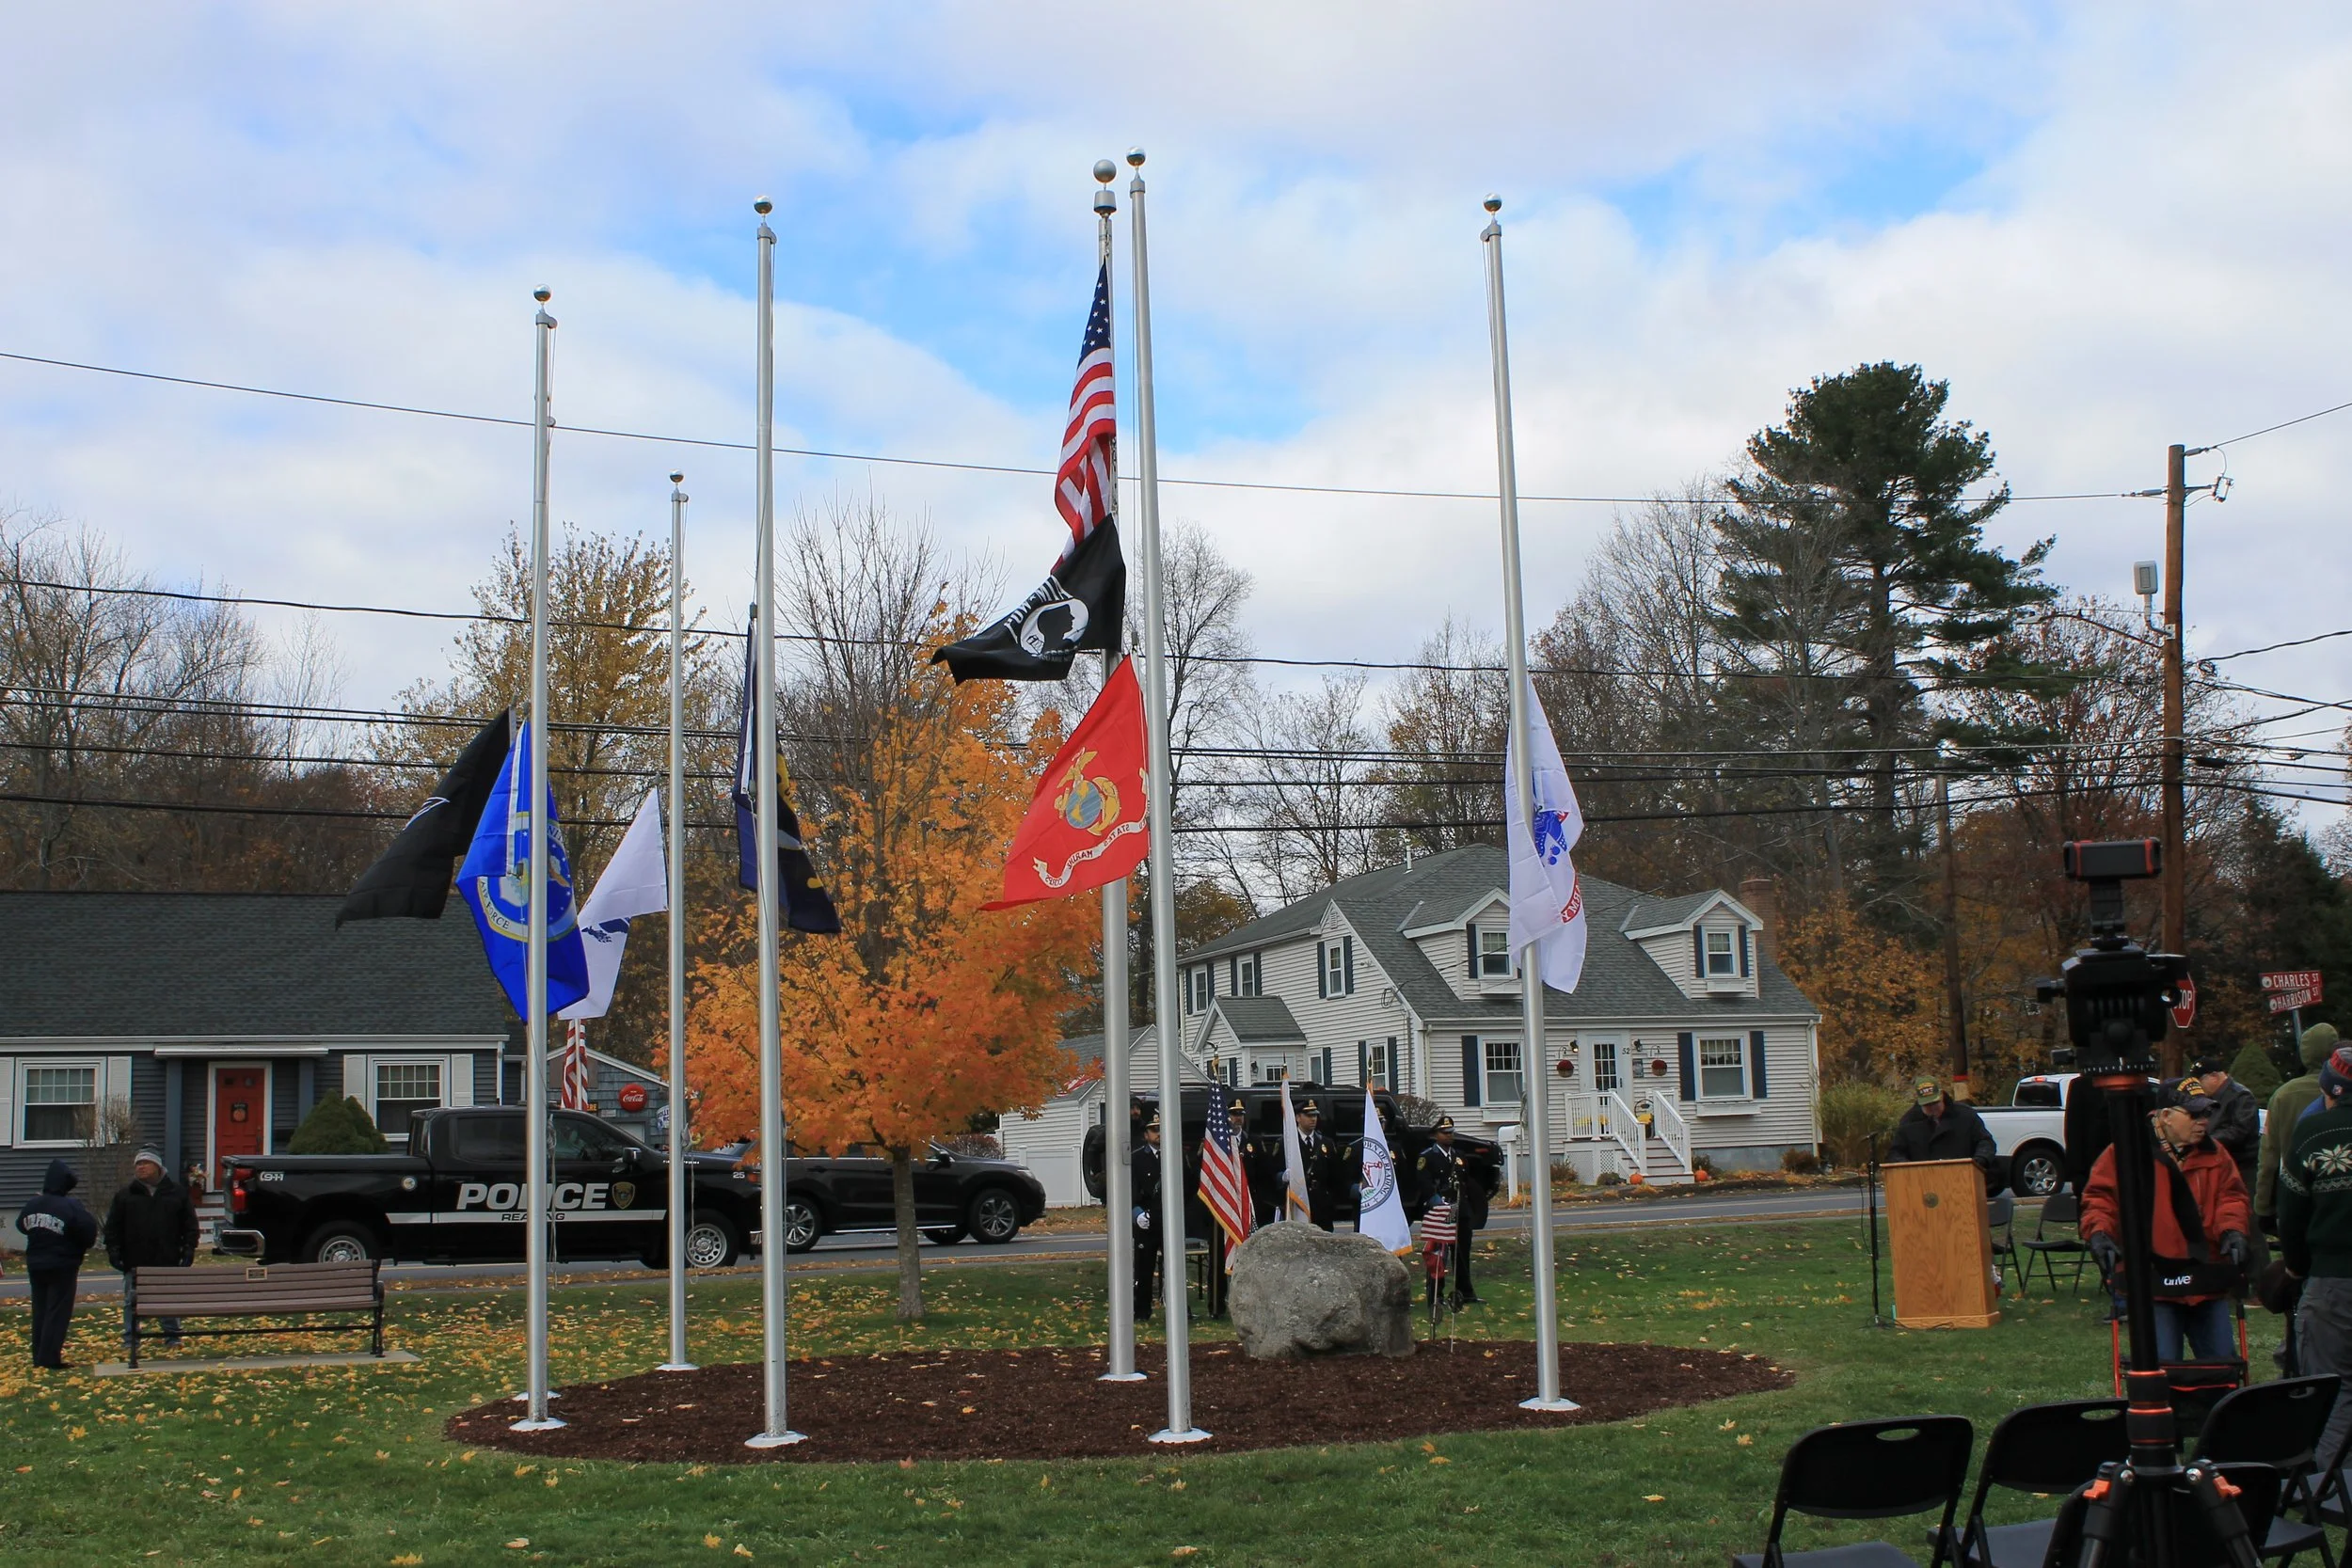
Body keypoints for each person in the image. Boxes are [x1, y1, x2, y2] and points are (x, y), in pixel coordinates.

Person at [2081, 1081, 2251, 1363]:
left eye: (2206, 1115)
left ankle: (2215, 1407)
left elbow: (2231, 1198)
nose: (2203, 1122)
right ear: (2164, 1116)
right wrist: (2099, 1234)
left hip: (2206, 1277)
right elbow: (2100, 1200)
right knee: (2160, 1370)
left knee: (2222, 1368)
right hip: (2152, 1282)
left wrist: (2233, 1231)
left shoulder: (2216, 1154)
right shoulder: (2124, 1152)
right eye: (2194, 1115)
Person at [2280, 1044, 2352, 1468]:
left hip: (2333, 1280)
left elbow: (2291, 1214)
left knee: (2332, 1388)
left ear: (2331, 1090)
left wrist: (2296, 1266)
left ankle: (2328, 1485)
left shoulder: (2315, 1133)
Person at [103, 1148, 198, 1352]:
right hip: (135, 1258)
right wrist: (114, 1251)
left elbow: (190, 1225)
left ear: (158, 1167)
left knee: (168, 1299)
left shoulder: (176, 1193)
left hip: (167, 1257)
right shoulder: (125, 1195)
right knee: (132, 1300)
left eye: (146, 1163)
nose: (141, 1167)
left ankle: (172, 1337)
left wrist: (189, 1249)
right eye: (138, 1164)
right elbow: (113, 1227)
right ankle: (131, 1339)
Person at [2258, 1022, 2342, 1235]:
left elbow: (2269, 1157)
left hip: (2296, 1200)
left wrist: (2263, 1208)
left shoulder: (2283, 1096)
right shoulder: (2343, 1089)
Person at [19, 1159, 98, 1370]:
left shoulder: (32, 1204)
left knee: (40, 1310)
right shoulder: (71, 1206)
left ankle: (38, 1356)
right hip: (63, 1265)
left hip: (35, 1264)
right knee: (57, 1312)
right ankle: (50, 1358)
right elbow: (88, 1231)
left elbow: (21, 1225)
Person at [1886, 1077, 1998, 1181]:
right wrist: (1907, 1168)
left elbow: (1985, 1142)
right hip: (1923, 1181)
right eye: (1927, 1105)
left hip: (1962, 1180)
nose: (1932, 1108)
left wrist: (1979, 1161)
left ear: (1941, 1095)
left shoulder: (1965, 1115)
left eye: (1935, 1103)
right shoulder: (1909, 1122)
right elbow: (1895, 1152)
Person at [2196, 1050, 2263, 1195]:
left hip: (2243, 1165)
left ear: (2214, 1077)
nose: (2198, 1086)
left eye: (2199, 1081)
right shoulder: (2209, 1098)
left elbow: (2239, 1130)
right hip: (2220, 1162)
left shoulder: (2241, 1095)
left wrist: (2208, 1141)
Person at [1131, 1114, 1164, 1323]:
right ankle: (1142, 1311)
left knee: (1173, 1268)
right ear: (1146, 1135)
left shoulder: (1175, 1154)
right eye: (1154, 1130)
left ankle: (1178, 1308)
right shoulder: (1137, 1158)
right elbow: (1131, 1189)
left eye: (1161, 1129)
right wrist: (1137, 1214)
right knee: (1144, 1269)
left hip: (1167, 1219)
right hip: (1146, 1219)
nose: (1158, 1134)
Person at [1295, 1100, 1341, 1231]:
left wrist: (1331, 1200)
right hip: (1299, 1201)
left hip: (1322, 1202)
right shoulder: (1288, 1143)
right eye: (1309, 1116)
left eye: (1315, 1115)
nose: (1313, 1119)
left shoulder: (1326, 1143)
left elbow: (1335, 1175)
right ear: (1298, 1117)